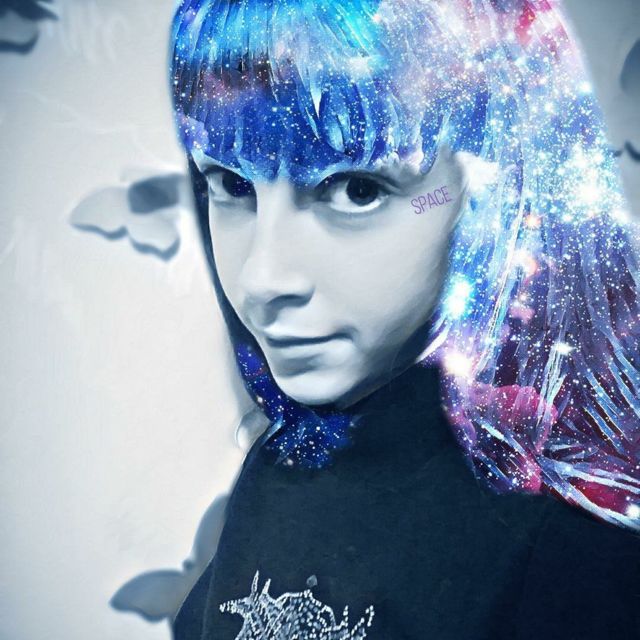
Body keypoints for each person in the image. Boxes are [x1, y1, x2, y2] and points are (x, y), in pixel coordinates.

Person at [169, 0, 640, 637]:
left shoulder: (574, 548)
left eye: (356, 189)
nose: (261, 278)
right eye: (232, 184)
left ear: (497, 193)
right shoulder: (289, 461)